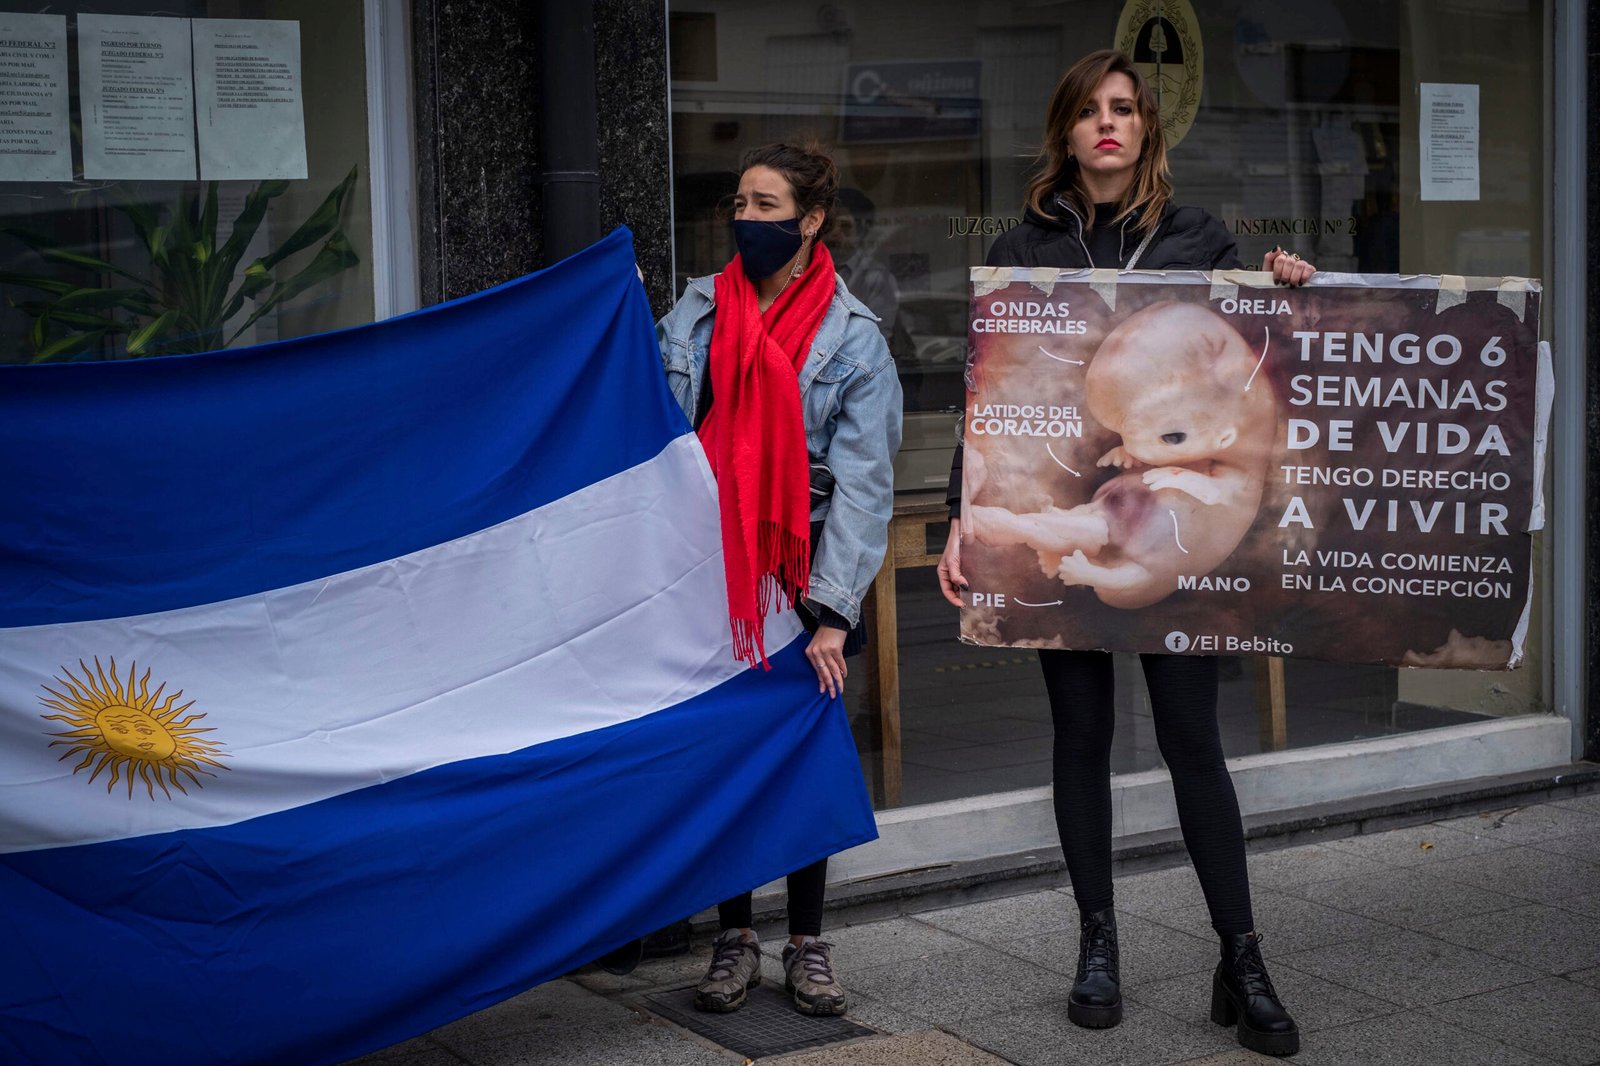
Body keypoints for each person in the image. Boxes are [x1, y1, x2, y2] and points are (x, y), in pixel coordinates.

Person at [936, 50, 1312, 1058]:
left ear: (1145, 130)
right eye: (1091, 111)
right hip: (1065, 504)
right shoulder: (1023, 244)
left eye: (1125, 110)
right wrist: (958, 513)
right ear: (1065, 130)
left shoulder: (1197, 239)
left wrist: (1284, 284)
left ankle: (1242, 956)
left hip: (1170, 525)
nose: (1109, 124)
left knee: (1194, 739)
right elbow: (985, 400)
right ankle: (1094, 943)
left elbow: (1249, 350)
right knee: (1080, 738)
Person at [653, 142, 902, 1017]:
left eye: (767, 207)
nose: (747, 220)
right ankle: (735, 935)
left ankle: (804, 939)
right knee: (727, 754)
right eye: (741, 205)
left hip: (805, 575)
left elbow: (867, 485)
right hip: (709, 572)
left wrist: (832, 615)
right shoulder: (692, 316)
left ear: (811, 219)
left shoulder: (855, 340)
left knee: (801, 759)